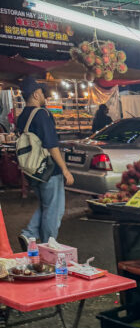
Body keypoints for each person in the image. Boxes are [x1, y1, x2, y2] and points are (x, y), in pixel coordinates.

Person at [17, 77, 74, 249]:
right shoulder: (41, 114)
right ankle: (50, 244)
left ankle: (30, 235)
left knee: (46, 205)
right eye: (42, 92)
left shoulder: (22, 117)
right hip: (49, 169)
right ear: (35, 94)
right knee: (55, 209)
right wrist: (64, 169)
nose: (44, 96)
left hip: (32, 170)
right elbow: (51, 144)